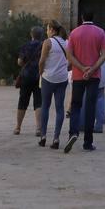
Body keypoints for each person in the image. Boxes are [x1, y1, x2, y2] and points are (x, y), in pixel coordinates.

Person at [64, 8, 105, 153]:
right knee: (90, 106)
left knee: (76, 105)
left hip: (78, 75)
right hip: (93, 76)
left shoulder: (74, 33)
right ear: (93, 17)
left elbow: (69, 55)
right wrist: (93, 68)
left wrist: (82, 68)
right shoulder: (100, 32)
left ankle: (73, 133)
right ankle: (88, 142)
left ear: (82, 17)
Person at [38, 20, 70, 149]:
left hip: (48, 77)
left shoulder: (48, 42)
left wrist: (41, 72)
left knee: (45, 106)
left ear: (51, 29)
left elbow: (41, 61)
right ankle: (56, 138)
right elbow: (70, 61)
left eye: (47, 29)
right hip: (62, 78)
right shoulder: (66, 43)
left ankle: (43, 136)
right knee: (60, 108)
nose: (46, 31)